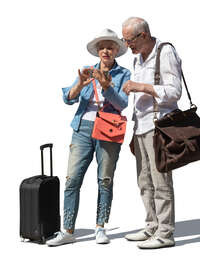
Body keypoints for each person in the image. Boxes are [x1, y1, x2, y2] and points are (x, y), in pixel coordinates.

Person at [46, 29, 130, 246]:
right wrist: (80, 85)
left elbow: (122, 103)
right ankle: (68, 230)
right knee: (72, 179)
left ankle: (100, 227)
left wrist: (106, 85)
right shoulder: (87, 71)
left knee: (105, 180)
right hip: (83, 128)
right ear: (97, 51)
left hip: (109, 129)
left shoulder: (124, 74)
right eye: (102, 47)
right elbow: (68, 98)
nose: (105, 50)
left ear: (116, 51)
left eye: (110, 47)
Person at [122, 17, 182, 249]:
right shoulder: (137, 59)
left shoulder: (164, 52)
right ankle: (152, 226)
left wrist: (141, 87)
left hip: (159, 128)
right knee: (144, 181)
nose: (128, 46)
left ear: (143, 35)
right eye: (125, 41)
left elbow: (174, 91)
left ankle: (165, 233)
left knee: (161, 182)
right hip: (141, 127)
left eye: (130, 40)